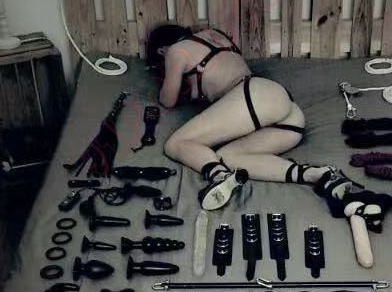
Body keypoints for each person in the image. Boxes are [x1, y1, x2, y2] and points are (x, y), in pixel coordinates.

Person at [148, 23, 360, 210]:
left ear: (161, 49)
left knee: (175, 144)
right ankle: (319, 174)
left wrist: (167, 72)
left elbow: (168, 100)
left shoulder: (176, 51)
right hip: (285, 110)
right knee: (227, 156)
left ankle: (220, 177)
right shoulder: (214, 34)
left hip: (253, 98)